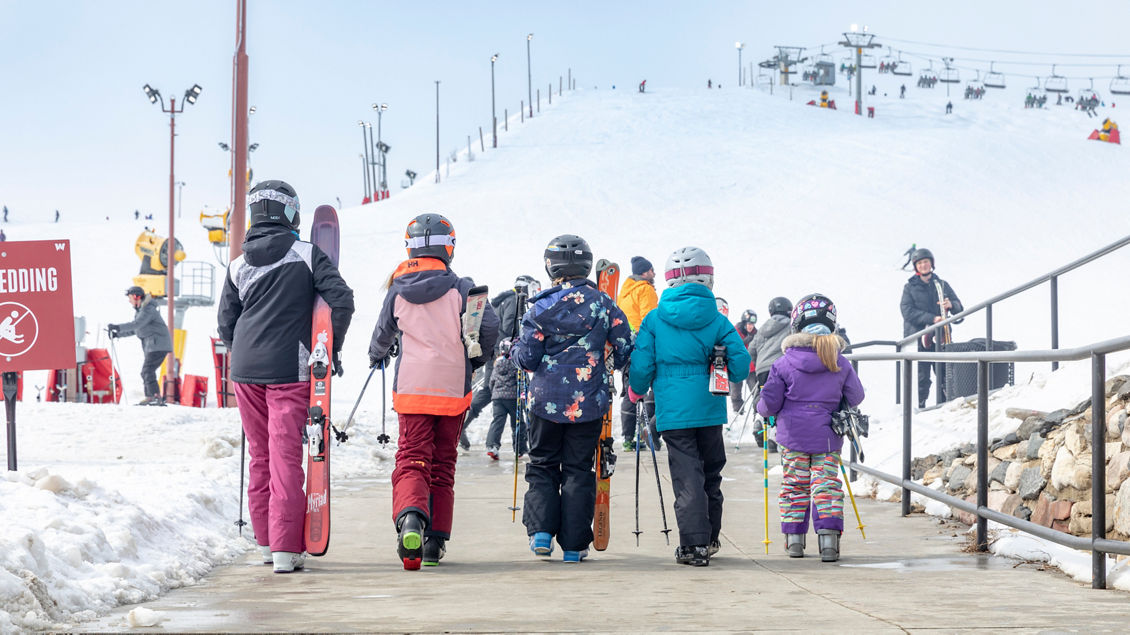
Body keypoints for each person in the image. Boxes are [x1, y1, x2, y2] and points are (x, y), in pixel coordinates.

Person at [217, 180, 354, 573]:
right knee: (284, 460)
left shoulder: (237, 264)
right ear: (291, 214)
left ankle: (265, 543)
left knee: (260, 457)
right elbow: (341, 299)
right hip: (289, 370)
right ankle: (285, 549)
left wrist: (242, 353)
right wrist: (329, 348)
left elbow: (226, 322)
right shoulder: (307, 255)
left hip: (244, 372)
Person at [368, 213, 498, 570]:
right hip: (452, 388)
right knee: (443, 463)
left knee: (412, 458)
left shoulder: (397, 288)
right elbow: (489, 326)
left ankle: (411, 519)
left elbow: (382, 334)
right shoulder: (461, 288)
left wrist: (375, 355)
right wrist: (476, 359)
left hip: (411, 389)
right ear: (448, 247)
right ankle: (434, 543)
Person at [511, 234, 632, 563]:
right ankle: (575, 546)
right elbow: (624, 346)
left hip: (544, 401)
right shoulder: (603, 304)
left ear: (551, 267)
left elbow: (527, 358)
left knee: (542, 466)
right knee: (579, 469)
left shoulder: (539, 306)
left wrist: (514, 353)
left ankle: (541, 533)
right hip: (589, 401)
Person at [628, 246, 750, 566]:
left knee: (687, 476)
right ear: (708, 278)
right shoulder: (718, 320)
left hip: (673, 413)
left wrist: (636, 391)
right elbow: (740, 367)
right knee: (711, 473)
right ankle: (709, 539)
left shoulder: (654, 319)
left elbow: (641, 365)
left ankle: (693, 545)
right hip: (709, 410)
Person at [757, 294, 864, 563]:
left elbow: (768, 404)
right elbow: (856, 396)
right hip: (827, 436)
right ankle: (829, 541)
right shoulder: (839, 360)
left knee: (795, 485)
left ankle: (794, 540)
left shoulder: (783, 363)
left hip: (792, 438)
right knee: (826, 485)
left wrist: (764, 411)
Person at [463, 274, 541, 452]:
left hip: (495, 350)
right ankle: (464, 424)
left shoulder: (504, 299)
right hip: (503, 351)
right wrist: (516, 344)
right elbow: (508, 326)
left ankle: (465, 423)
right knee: (494, 390)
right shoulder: (514, 300)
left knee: (493, 389)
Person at [900, 247, 963, 409]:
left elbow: (959, 309)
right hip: (920, 336)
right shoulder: (910, 287)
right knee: (923, 374)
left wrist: (952, 305)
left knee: (944, 372)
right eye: (919, 263)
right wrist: (932, 318)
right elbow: (907, 311)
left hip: (941, 336)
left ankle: (944, 404)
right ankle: (922, 406)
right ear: (916, 266)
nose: (923, 265)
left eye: (926, 262)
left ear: (931, 263)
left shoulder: (941, 285)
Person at [617, 255, 659, 451]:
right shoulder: (645, 289)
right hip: (643, 345)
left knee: (630, 391)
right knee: (653, 388)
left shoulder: (624, 293)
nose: (654, 273)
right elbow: (650, 319)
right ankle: (650, 431)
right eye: (651, 270)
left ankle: (628, 438)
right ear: (645, 272)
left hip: (625, 346)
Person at [108, 286, 174, 406]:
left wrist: (117, 327)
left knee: (147, 370)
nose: (129, 301)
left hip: (158, 345)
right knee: (146, 372)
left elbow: (136, 324)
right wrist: (118, 334)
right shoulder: (141, 311)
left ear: (136, 296)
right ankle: (151, 397)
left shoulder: (148, 310)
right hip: (153, 346)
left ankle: (154, 397)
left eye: (130, 298)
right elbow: (136, 329)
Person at [747, 296, 792, 450]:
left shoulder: (762, 329)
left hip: (762, 370)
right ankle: (774, 435)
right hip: (781, 368)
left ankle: (759, 419)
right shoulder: (791, 327)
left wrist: (758, 364)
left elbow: (751, 350)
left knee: (765, 397)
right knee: (781, 402)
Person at [485, 339, 525, 459]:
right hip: (512, 398)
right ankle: (519, 449)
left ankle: (492, 446)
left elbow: (491, 381)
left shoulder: (497, 364)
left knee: (497, 422)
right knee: (517, 423)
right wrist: (523, 396)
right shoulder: (515, 363)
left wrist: (494, 393)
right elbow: (521, 381)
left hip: (497, 398)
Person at [730, 309, 758, 413]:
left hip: (751, 367)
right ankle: (738, 412)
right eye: (749, 324)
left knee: (756, 391)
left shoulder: (756, 334)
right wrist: (748, 339)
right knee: (735, 392)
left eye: (753, 324)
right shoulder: (735, 331)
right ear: (744, 323)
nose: (751, 326)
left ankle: (758, 413)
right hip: (736, 366)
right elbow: (735, 345)